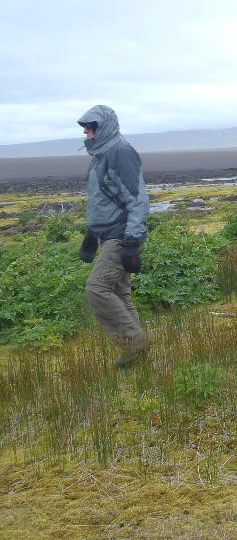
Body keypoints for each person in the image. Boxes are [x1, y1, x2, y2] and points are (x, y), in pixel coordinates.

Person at [77, 105, 150, 368]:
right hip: (109, 235)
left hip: (121, 235)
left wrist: (131, 242)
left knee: (97, 288)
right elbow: (103, 200)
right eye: (85, 127)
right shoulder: (101, 155)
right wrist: (91, 234)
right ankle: (138, 355)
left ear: (104, 126)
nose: (86, 131)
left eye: (91, 126)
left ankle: (134, 345)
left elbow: (138, 199)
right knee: (120, 293)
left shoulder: (120, 152)